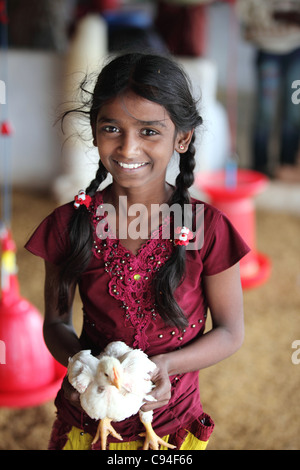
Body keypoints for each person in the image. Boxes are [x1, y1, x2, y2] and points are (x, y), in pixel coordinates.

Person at [25, 52, 250, 450]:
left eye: (149, 131)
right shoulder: (70, 225)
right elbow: (56, 323)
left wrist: (168, 365)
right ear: (95, 131)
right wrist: (83, 367)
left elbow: (230, 332)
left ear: (182, 137)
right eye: (112, 128)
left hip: (171, 423)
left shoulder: (206, 228)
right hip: (90, 421)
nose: (128, 148)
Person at [238, 0, 300, 180]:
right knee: (265, 111)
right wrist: (284, 16)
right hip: (267, 49)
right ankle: (259, 168)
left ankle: (286, 167)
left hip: (297, 49)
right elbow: (246, 14)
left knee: (295, 111)